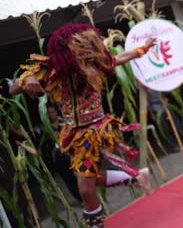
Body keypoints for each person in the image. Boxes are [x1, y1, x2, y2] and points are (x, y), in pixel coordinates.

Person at [9, 23, 155, 227]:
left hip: (93, 133)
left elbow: (118, 58)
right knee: (90, 180)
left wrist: (141, 49)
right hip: (74, 136)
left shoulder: (93, 63)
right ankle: (137, 177)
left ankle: (96, 223)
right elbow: (13, 89)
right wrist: (28, 79)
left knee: (85, 189)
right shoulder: (51, 69)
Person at [33, 103, 82, 203]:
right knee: (68, 179)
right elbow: (31, 135)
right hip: (57, 158)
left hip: (72, 154)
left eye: (52, 112)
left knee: (82, 174)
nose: (51, 115)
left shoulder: (65, 122)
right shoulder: (42, 128)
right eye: (48, 113)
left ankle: (88, 194)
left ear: (56, 112)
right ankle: (80, 199)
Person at [147, 89, 183, 153]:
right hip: (156, 109)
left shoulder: (157, 84)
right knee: (165, 129)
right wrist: (152, 114)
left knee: (177, 124)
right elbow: (147, 104)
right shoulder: (145, 90)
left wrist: (166, 99)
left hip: (166, 105)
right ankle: (174, 146)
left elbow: (167, 91)